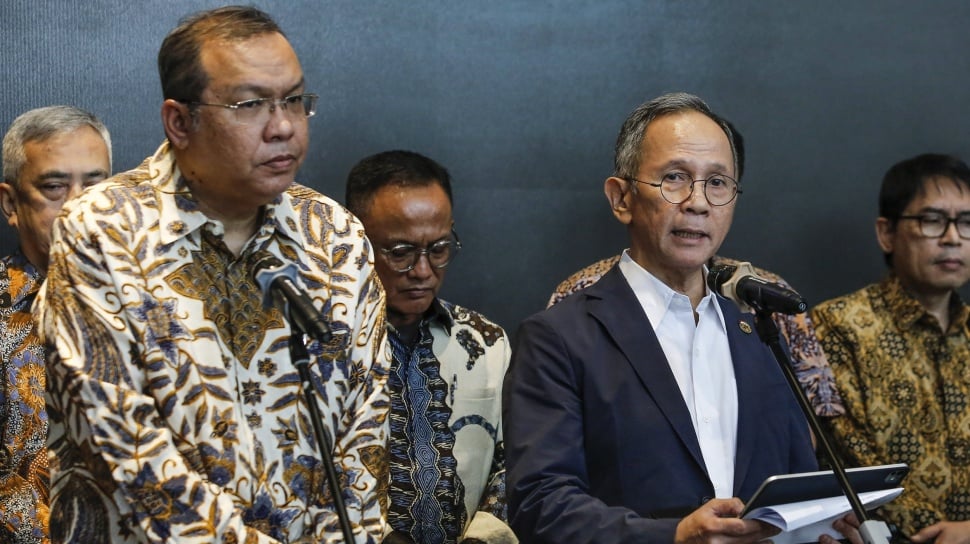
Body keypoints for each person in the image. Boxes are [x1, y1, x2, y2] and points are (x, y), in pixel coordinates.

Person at [33, 7, 390, 543]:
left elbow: (365, 430)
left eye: (294, 100)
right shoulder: (102, 230)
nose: (283, 126)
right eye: (250, 104)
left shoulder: (334, 235)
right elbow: (128, 455)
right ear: (180, 122)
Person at [503, 92, 831, 544]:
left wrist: (825, 524)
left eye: (718, 183)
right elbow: (540, 507)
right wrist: (673, 536)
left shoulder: (759, 329)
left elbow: (798, 481)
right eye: (675, 178)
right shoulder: (558, 338)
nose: (698, 203)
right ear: (621, 198)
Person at [345, 150, 514, 544]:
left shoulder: (487, 341)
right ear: (355, 239)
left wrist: (483, 538)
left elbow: (514, 460)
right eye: (400, 253)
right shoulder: (323, 349)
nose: (423, 271)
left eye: (438, 249)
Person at [812, 153, 970, 543]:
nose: (953, 238)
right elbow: (850, 454)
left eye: (966, 222)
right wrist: (939, 535)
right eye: (932, 220)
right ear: (887, 233)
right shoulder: (837, 325)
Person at [0, 105, 111, 544]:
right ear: (11, 203)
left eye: (95, 185)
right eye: (54, 187)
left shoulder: (160, 305)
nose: (79, 205)